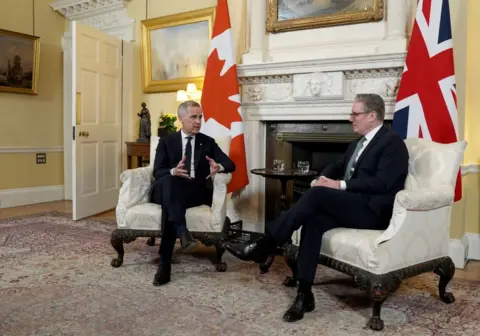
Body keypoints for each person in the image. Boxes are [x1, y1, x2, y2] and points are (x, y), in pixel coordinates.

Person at [224, 93, 409, 322]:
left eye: (355, 113)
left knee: (319, 196)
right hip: (352, 206)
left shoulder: (392, 142)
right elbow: (336, 165)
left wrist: (338, 184)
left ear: (372, 115)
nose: (350, 118)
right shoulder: (357, 144)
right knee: (313, 219)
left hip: (373, 211)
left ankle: (267, 243)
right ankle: (304, 294)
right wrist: (321, 178)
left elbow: (383, 183)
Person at [151, 100, 235, 286]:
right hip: (167, 188)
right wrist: (173, 171)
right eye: (193, 117)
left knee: (171, 203)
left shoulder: (207, 142)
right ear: (181, 118)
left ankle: (165, 264)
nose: (198, 121)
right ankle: (181, 232)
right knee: (169, 182)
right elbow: (158, 171)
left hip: (193, 192)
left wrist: (218, 166)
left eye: (200, 117)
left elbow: (231, 164)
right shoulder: (167, 141)